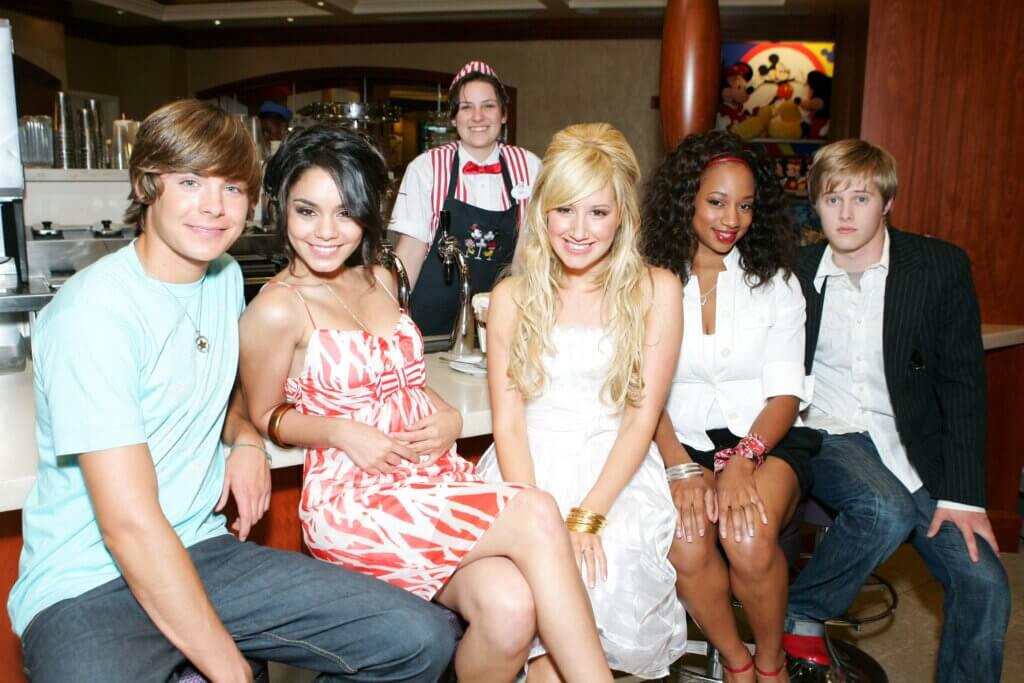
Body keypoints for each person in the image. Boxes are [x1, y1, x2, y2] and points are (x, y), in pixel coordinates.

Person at [7, 100, 456, 683]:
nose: (215, 208)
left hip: (203, 549)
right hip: (87, 583)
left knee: (418, 639)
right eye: (191, 182)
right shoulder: (93, 313)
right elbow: (128, 525)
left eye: (233, 188)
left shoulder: (220, 281)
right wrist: (231, 671)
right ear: (148, 185)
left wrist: (244, 440)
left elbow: (224, 396)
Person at [238, 124, 613, 683]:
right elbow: (261, 413)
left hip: (429, 478)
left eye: (344, 212)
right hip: (356, 496)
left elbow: (405, 379)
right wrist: (339, 431)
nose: (325, 231)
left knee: (510, 609)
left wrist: (450, 414)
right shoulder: (276, 308)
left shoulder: (382, 279)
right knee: (536, 512)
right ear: (281, 211)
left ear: (366, 215)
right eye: (307, 211)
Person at [782, 139, 1010, 682]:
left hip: (915, 449)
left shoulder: (937, 267)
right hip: (828, 435)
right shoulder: (792, 271)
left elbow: (962, 386)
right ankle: (801, 610)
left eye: (860, 199)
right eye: (831, 198)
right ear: (814, 203)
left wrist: (962, 496)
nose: (844, 213)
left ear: (886, 203)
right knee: (886, 511)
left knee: (986, 584)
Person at [476, 122, 688, 681]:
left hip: (613, 477)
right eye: (564, 210)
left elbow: (642, 419)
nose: (578, 229)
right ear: (543, 212)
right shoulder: (510, 296)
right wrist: (542, 522)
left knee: (600, 583)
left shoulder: (657, 289)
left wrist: (588, 517)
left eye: (597, 212)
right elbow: (510, 425)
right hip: (526, 477)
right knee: (535, 633)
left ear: (622, 215)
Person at [642, 130, 820, 682]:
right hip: (674, 437)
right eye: (716, 202)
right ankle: (736, 662)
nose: (731, 219)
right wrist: (678, 466)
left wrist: (743, 460)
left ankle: (771, 664)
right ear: (686, 201)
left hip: (765, 436)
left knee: (745, 534)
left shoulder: (778, 283)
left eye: (745, 205)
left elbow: (786, 393)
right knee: (685, 540)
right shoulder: (650, 282)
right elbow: (642, 388)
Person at [390, 60, 541, 336]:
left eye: (488, 105)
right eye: (466, 107)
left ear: (504, 114)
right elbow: (409, 253)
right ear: (453, 117)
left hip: (502, 319)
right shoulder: (426, 167)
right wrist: (390, 318)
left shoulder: (529, 166)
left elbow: (528, 254)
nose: (477, 116)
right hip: (431, 321)